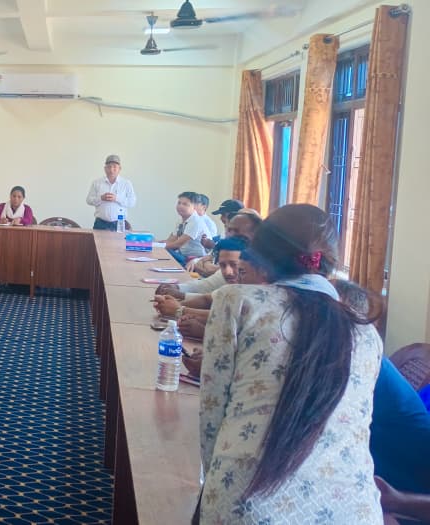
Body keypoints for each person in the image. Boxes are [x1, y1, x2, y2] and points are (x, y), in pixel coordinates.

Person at [198, 204, 383, 523]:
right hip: (355, 508)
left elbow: (212, 414)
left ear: (260, 258)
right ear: (330, 260)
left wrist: (215, 483)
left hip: (250, 503)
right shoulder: (366, 333)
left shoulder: (237, 301)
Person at [158, 209, 263, 299]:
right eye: (229, 230)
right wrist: (177, 288)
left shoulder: (259, 268)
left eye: (236, 231)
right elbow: (208, 285)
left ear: (256, 234)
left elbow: (213, 300)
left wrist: (180, 308)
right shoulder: (228, 249)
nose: (230, 235)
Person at [85, 154, 136, 230]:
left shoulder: (126, 183)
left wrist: (116, 198)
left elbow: (132, 202)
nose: (111, 170)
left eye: (115, 167)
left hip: (119, 223)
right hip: (100, 223)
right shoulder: (97, 183)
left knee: (120, 239)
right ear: (105, 169)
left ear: (119, 168)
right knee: (98, 238)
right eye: (109, 167)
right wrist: (101, 198)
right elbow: (89, 200)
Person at [162, 192, 208, 267]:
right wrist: (152, 244)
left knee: (163, 253)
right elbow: (170, 240)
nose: (180, 206)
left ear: (195, 207)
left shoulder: (196, 221)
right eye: (179, 203)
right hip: (183, 256)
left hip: (194, 259)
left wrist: (155, 246)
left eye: (185, 204)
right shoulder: (181, 220)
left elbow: (177, 244)